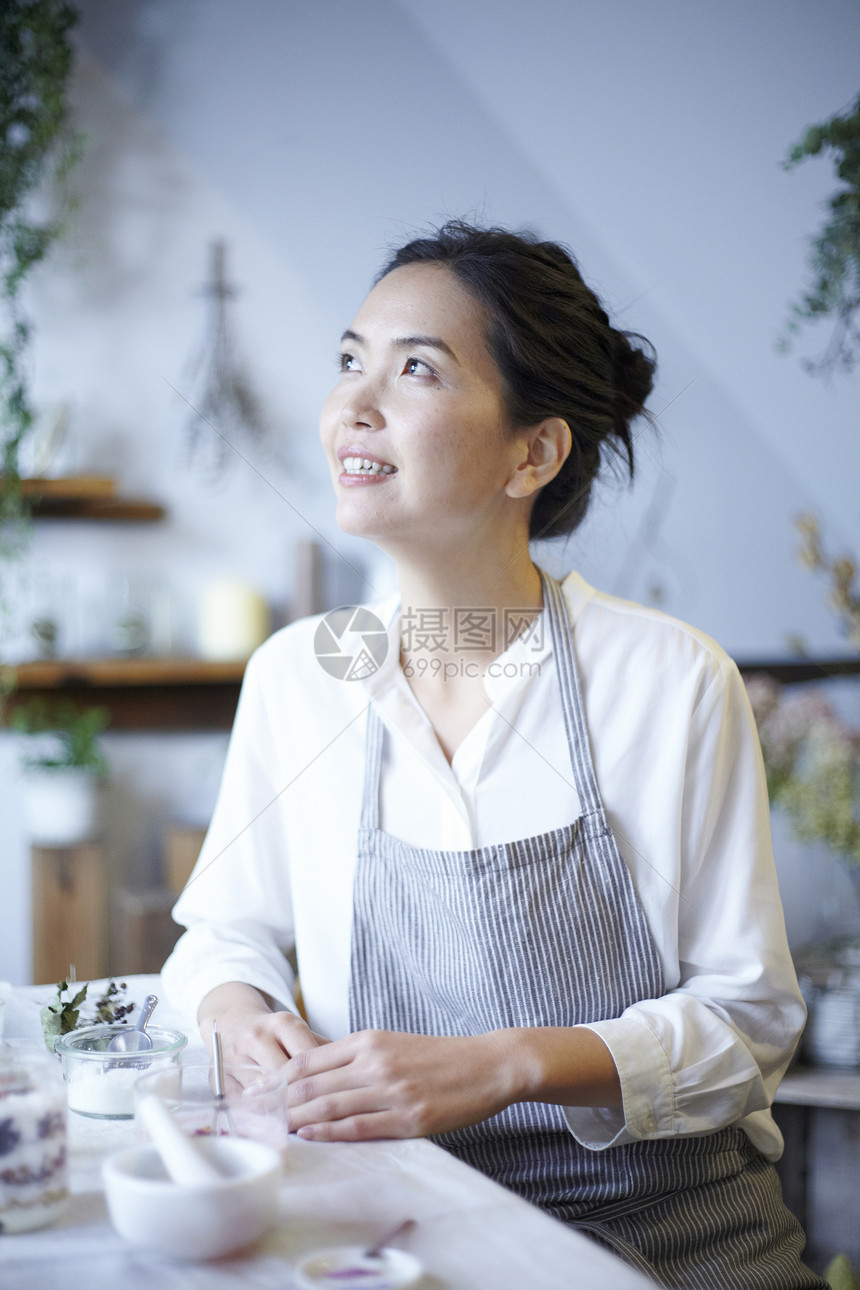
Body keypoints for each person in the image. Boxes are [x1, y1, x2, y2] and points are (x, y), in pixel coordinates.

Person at [162, 221, 826, 1289]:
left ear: (534, 452)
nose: (352, 405)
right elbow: (222, 934)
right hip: (390, 1232)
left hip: (671, 1241)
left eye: (414, 368)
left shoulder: (667, 680)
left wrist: (501, 1066)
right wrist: (239, 1014)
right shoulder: (298, 678)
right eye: (348, 362)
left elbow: (746, 1022)